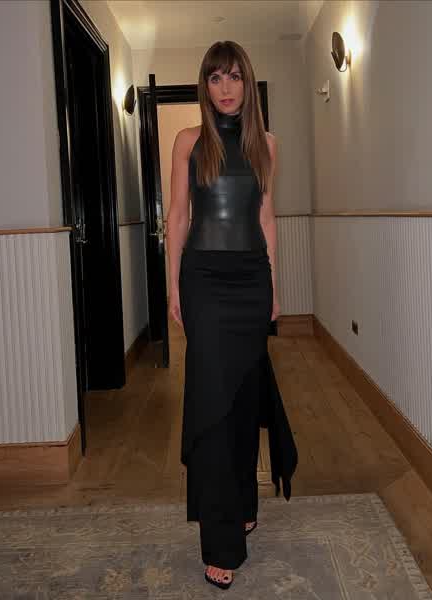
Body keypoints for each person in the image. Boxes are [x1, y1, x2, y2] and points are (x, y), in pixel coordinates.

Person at [166, 40, 298, 591]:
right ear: (205, 85)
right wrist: (173, 286)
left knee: (244, 397)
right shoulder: (188, 141)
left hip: (250, 281)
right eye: (216, 78)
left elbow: (266, 218)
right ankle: (220, 541)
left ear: (248, 83)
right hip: (203, 280)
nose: (225, 88)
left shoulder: (267, 144)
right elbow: (178, 216)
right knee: (214, 406)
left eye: (235, 77)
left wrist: (274, 287)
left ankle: (244, 501)